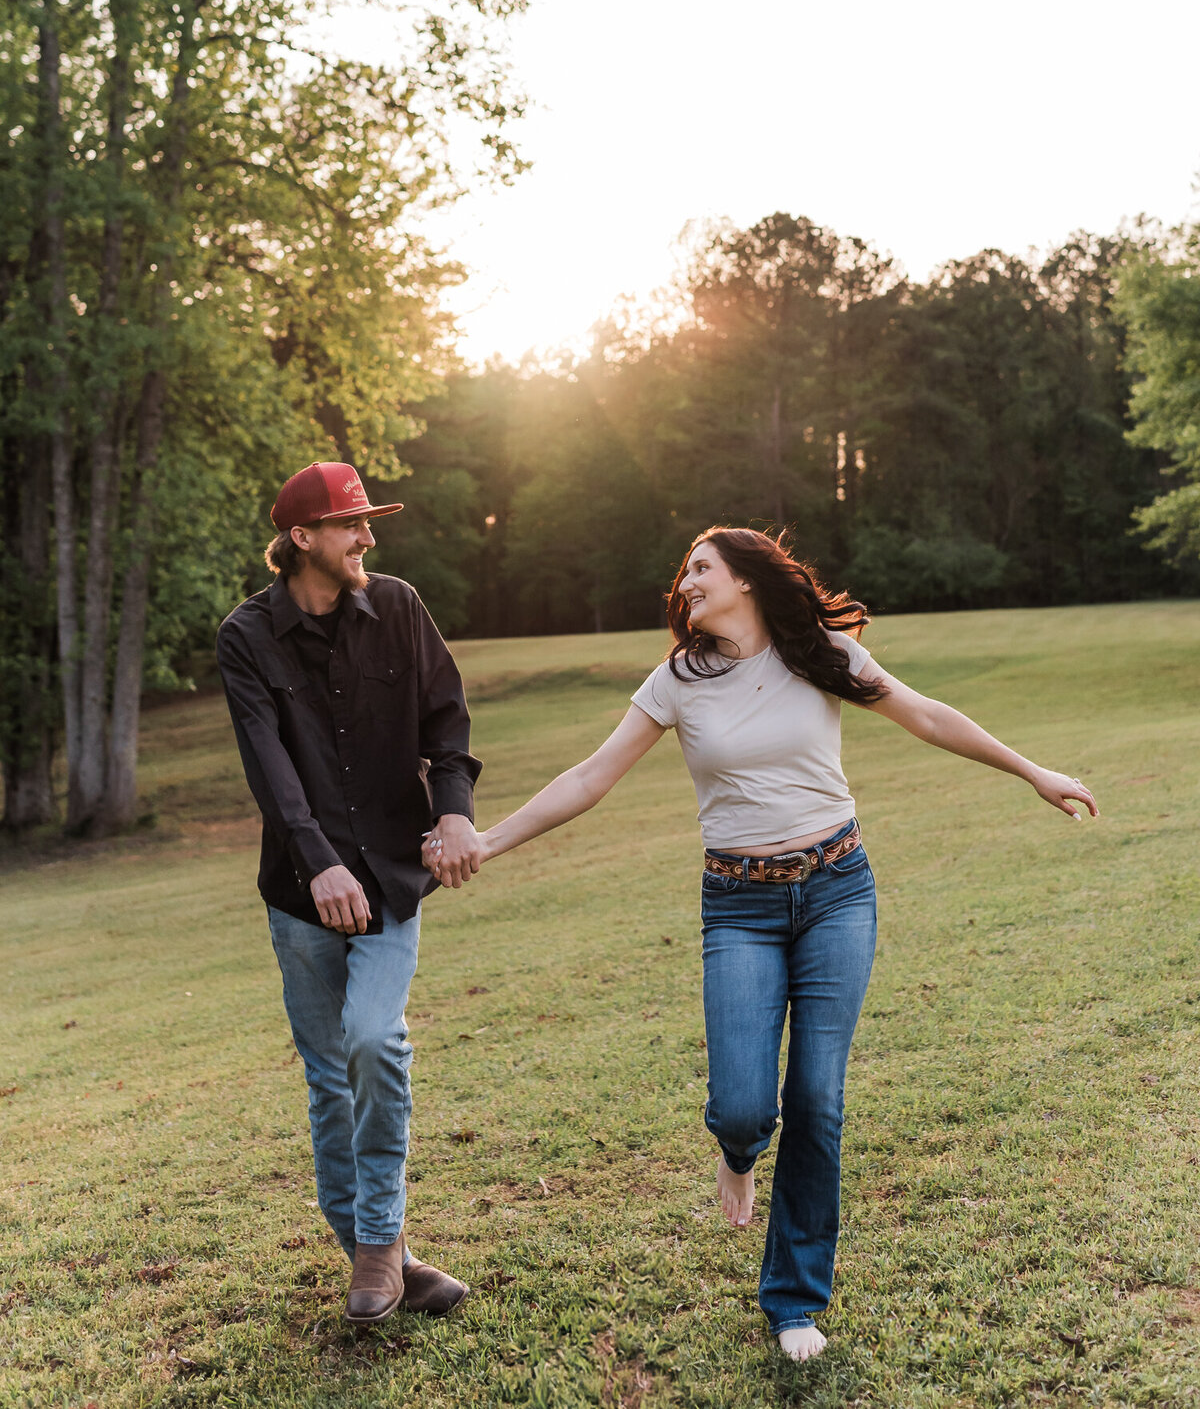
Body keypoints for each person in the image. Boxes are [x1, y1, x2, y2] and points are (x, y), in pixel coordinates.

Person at [422, 526, 1099, 1361]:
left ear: (745, 578)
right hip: (738, 904)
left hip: (837, 890)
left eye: (702, 567)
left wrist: (1032, 770)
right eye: (686, 572)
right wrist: (490, 840)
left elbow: (924, 714)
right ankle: (737, 1152)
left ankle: (793, 1303)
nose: (688, 582)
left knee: (817, 1099)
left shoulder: (824, 653)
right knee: (747, 1106)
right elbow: (590, 778)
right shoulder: (677, 680)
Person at [217, 460, 482, 1326]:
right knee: (329, 1078)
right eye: (352, 522)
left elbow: (446, 720)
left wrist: (453, 814)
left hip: (392, 878)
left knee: (374, 1040)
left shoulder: (399, 606)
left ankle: (376, 1250)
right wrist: (318, 860)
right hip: (302, 892)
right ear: (302, 538)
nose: (369, 534)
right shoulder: (246, 636)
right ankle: (390, 1258)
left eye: (369, 520)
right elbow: (269, 761)